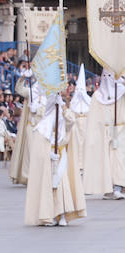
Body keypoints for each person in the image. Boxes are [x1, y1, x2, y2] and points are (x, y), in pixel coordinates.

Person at [23, 76, 86, 227]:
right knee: (48, 185)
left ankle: (62, 214)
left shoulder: (64, 115)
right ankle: (49, 215)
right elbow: (39, 142)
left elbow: (71, 122)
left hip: (60, 154)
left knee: (61, 183)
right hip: (47, 156)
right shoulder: (42, 123)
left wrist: (63, 108)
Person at [88, 72, 125, 200]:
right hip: (105, 131)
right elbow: (94, 117)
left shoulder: (122, 92)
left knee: (118, 158)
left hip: (120, 129)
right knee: (106, 160)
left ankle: (118, 187)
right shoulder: (98, 96)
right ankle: (108, 188)